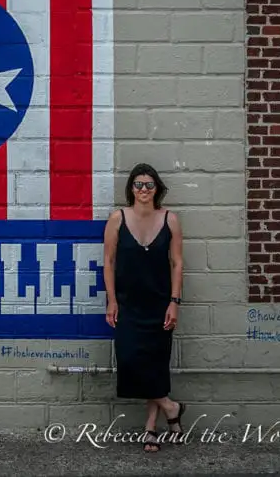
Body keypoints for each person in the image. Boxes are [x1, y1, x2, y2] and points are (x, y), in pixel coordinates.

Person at [102, 163, 186, 452]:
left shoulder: (170, 219)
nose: (144, 190)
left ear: (157, 189)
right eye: (138, 185)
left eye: (149, 185)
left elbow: (177, 263)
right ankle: (171, 407)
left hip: (160, 304)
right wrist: (112, 300)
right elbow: (109, 262)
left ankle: (151, 429)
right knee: (130, 361)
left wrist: (174, 302)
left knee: (155, 365)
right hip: (127, 304)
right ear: (131, 189)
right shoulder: (117, 218)